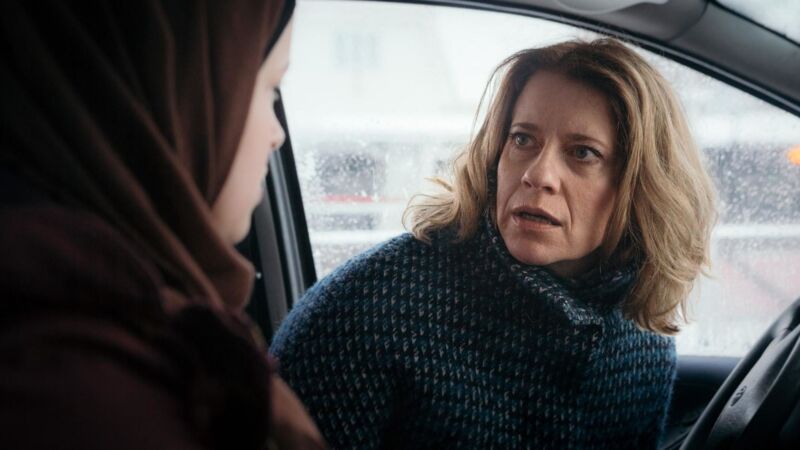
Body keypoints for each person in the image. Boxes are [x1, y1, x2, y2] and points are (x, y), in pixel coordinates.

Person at [271, 38, 716, 448]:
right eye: (522, 139)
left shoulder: (643, 333)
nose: (537, 175)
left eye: (582, 153)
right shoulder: (371, 308)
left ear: (641, 185)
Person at [0, 1, 325, 449]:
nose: (278, 135)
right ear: (182, 96)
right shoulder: (97, 403)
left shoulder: (129, 329)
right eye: (270, 89)